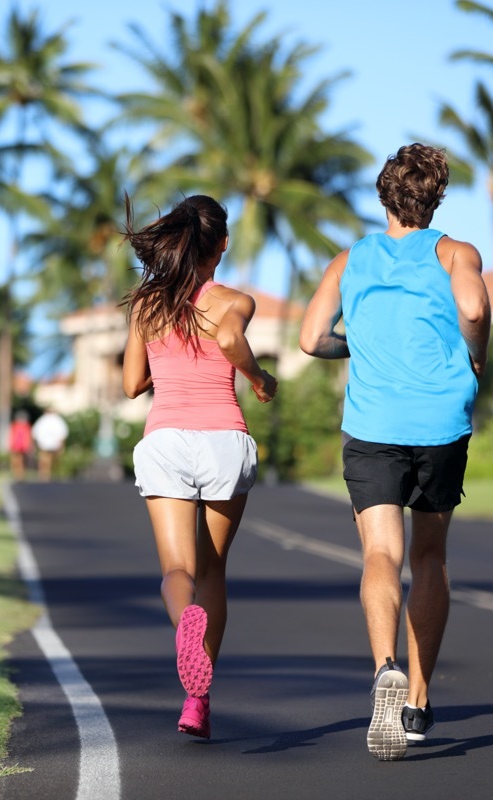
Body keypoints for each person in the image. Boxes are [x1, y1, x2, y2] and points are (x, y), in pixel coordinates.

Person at [299, 143, 491, 761]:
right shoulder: (456, 252)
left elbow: (310, 339)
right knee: (430, 556)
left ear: (384, 196)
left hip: (373, 423)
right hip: (440, 424)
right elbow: (473, 306)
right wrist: (476, 355)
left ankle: (386, 667)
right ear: (436, 198)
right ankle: (418, 702)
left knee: (381, 552)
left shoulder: (348, 260)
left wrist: (358, 346)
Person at [121, 193, 278, 739]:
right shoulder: (235, 300)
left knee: (178, 573)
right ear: (223, 245)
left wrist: (161, 370)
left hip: (166, 439)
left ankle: (183, 624)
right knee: (214, 571)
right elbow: (231, 339)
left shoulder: (148, 305)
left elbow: (130, 384)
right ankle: (198, 701)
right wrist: (260, 380)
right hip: (223, 442)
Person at [31, 409, 69, 481]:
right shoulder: (57, 420)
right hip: (53, 445)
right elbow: (63, 433)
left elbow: (35, 433)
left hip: (44, 445)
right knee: (51, 461)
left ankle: (44, 475)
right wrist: (62, 445)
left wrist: (35, 444)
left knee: (45, 461)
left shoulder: (42, 420)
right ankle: (48, 475)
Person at [9, 410, 33, 480]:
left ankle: (21, 475)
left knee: (22, 462)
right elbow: (12, 436)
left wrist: (28, 446)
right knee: (15, 462)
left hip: (23, 447)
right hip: (15, 446)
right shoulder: (14, 426)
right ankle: (16, 474)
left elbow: (28, 437)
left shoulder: (26, 427)